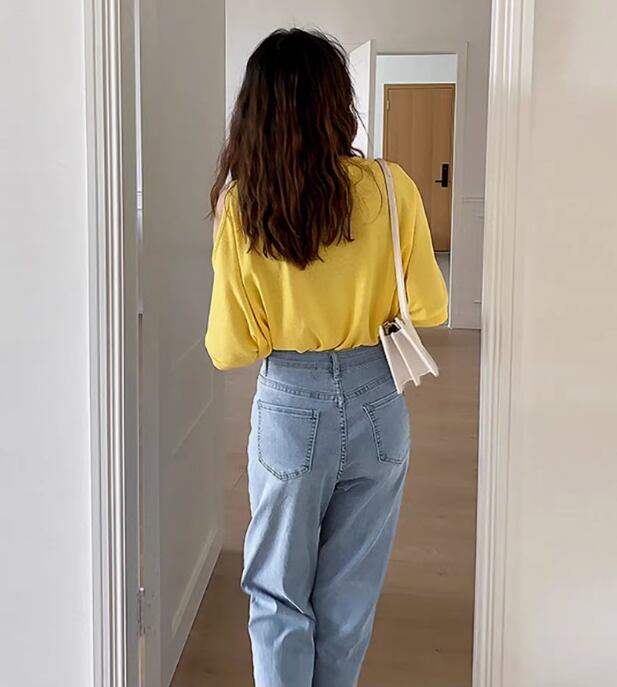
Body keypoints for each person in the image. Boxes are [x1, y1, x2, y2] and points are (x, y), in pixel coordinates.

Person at [205, 28, 447, 687]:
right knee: (348, 600)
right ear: (338, 102)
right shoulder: (390, 186)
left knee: (278, 595)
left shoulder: (243, 206)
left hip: (290, 404)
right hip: (378, 402)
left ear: (254, 110)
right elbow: (430, 307)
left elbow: (231, 347)